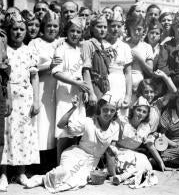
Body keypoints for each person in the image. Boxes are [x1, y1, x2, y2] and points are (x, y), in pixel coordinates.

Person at [24, 92, 120, 192]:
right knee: (64, 172)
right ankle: (42, 178)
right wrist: (73, 108)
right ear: (99, 108)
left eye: (112, 110)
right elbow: (60, 125)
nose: (108, 113)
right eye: (105, 109)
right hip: (75, 154)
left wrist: (114, 175)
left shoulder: (115, 127)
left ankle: (46, 179)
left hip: (90, 163)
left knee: (77, 181)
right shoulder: (88, 122)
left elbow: (111, 152)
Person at [0, 12, 40, 190]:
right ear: (9, 31)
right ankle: (3, 173)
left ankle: (21, 172)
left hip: (26, 97)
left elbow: (35, 76)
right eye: (14, 29)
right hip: (8, 95)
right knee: (7, 134)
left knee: (24, 134)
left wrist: (36, 100)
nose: (18, 32)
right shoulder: (4, 49)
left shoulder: (29, 50)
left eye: (21, 29)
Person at [52, 16, 89, 162]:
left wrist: (84, 90)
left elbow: (82, 72)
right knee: (63, 130)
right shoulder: (61, 49)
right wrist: (76, 83)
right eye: (72, 31)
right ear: (66, 31)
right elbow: (56, 72)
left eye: (78, 32)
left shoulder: (80, 49)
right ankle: (59, 165)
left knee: (76, 128)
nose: (75, 34)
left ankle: (70, 163)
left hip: (77, 92)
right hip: (64, 91)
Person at [28, 11, 61, 161]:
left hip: (58, 89)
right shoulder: (35, 43)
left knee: (53, 125)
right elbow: (30, 68)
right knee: (41, 125)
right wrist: (49, 66)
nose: (52, 29)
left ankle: (52, 160)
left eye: (55, 26)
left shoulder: (61, 42)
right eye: (49, 25)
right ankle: (37, 161)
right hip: (40, 87)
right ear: (43, 26)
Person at [106, 96, 156, 185]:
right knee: (140, 162)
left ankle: (121, 178)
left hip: (131, 154)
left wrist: (160, 163)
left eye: (144, 112)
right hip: (119, 153)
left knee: (144, 161)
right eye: (139, 110)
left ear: (147, 115)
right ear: (133, 110)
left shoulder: (145, 127)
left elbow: (149, 145)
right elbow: (112, 146)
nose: (141, 113)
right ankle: (117, 177)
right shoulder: (123, 123)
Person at [135, 69, 177, 171]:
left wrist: (164, 76)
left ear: (155, 92)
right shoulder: (140, 106)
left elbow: (174, 91)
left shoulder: (156, 104)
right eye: (146, 92)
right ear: (141, 93)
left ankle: (154, 159)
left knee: (174, 149)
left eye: (151, 92)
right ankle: (158, 161)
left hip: (155, 137)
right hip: (143, 139)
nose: (149, 95)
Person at [126, 15, 153, 102]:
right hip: (124, 84)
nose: (137, 32)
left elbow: (150, 71)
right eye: (134, 29)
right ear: (129, 29)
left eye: (139, 29)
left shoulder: (147, 47)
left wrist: (140, 59)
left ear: (144, 30)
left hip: (140, 87)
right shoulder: (123, 45)